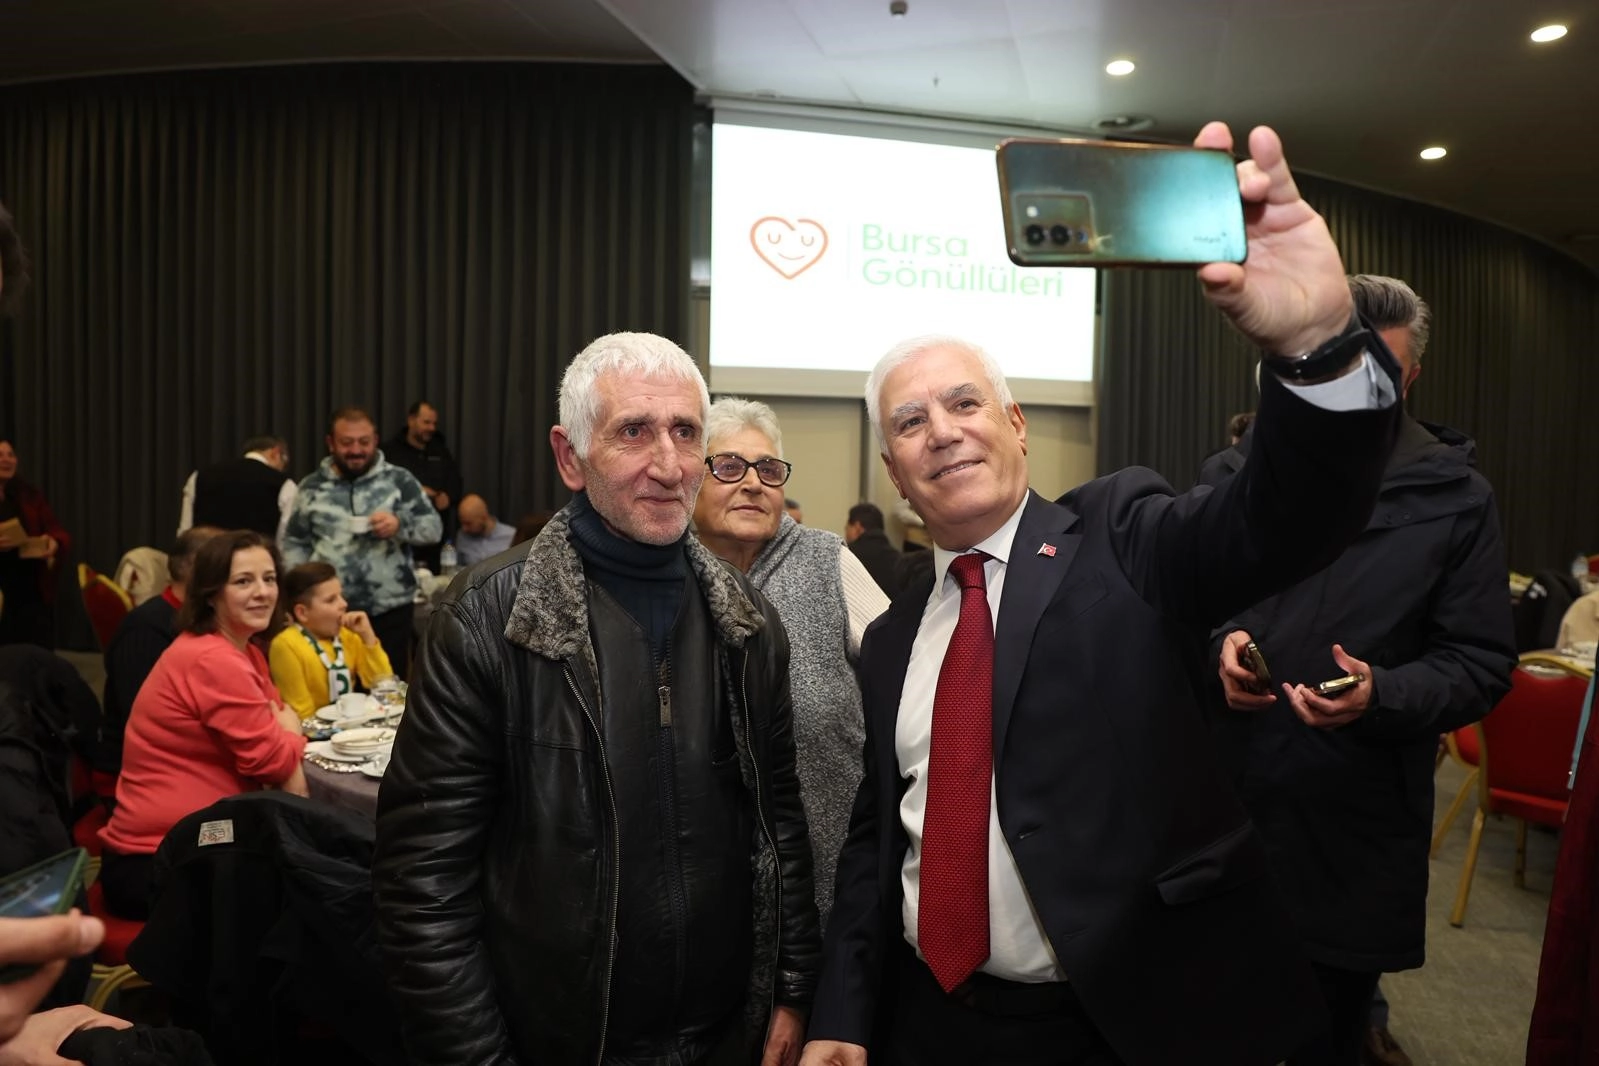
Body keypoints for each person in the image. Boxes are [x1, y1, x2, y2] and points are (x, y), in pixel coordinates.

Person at [800, 122, 1405, 1066]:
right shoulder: (890, 639)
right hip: (930, 1024)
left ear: (1016, 424)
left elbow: (1282, 520)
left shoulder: (1121, 537)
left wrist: (1315, 347)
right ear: (892, 470)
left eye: (964, 403)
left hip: (1125, 1025)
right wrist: (841, 1011)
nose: (941, 432)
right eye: (909, 422)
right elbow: (878, 838)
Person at [373, 332, 819, 1066]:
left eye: (685, 432)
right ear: (570, 457)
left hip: (726, 1037)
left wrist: (791, 991)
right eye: (633, 432)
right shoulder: (487, 618)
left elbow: (781, 830)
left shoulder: (747, 622)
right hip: (554, 1043)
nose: (669, 465)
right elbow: (423, 885)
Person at [1202, 274, 1516, 1066]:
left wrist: (1384, 692)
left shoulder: (1456, 499)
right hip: (1221, 814)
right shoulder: (1235, 473)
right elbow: (1182, 603)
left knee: (1324, 1036)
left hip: (1351, 829)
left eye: (1379, 371)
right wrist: (1220, 645)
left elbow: (1479, 663)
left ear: (1410, 379)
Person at [693, 397, 889, 927]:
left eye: (769, 469)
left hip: (835, 879)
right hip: (707, 886)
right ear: (691, 477)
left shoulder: (827, 560)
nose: (753, 483)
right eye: (729, 466)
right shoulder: (667, 572)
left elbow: (907, 678)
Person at [99, 530, 308, 920]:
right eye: (243, 581)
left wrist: (285, 736)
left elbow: (276, 740)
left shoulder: (243, 651)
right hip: (159, 860)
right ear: (211, 593)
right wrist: (292, 730)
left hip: (202, 843)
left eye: (269, 578)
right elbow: (273, 761)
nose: (262, 592)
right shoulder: (213, 659)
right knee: (321, 893)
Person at [282, 407, 441, 679]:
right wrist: (298, 594)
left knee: (387, 685)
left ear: (375, 441)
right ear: (331, 443)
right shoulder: (310, 487)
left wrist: (399, 525)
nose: (356, 450)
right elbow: (294, 544)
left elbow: (434, 529)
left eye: (364, 442)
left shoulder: (399, 480)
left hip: (390, 607)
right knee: (335, 688)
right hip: (328, 613)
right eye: (347, 443)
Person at [99, 526, 223, 778]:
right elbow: (147, 723)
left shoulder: (211, 621)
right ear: (196, 569)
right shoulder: (146, 630)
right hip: (144, 772)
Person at [268, 562, 393, 719]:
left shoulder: (348, 635)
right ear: (302, 613)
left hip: (352, 723)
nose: (344, 604)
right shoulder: (286, 645)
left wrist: (368, 636)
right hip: (316, 730)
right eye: (331, 600)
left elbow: (385, 688)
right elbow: (302, 714)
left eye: (341, 596)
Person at [0, 439, 69, 649]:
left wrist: (53, 542)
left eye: (11, 454)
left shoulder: (28, 494)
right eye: (0, 455)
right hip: (2, 587)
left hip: (31, 584)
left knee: (38, 649)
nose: (6, 459)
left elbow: (56, 531)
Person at [382, 401, 461, 572]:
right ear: (411, 420)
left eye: (434, 423)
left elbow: (456, 483)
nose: (431, 428)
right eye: (426, 422)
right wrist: (418, 490)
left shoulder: (440, 451)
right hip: (401, 536)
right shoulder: (390, 451)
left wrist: (447, 496)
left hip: (435, 540)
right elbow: (381, 487)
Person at [177, 435, 296, 543]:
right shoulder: (284, 484)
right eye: (284, 463)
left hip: (208, 557)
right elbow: (286, 539)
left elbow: (185, 532)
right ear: (276, 452)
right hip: (255, 556)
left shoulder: (198, 477)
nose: (282, 469)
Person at [844, 502, 905, 599]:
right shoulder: (900, 560)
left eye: (847, 528)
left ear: (857, 527)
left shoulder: (847, 556)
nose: (846, 534)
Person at [453, 493, 515, 565]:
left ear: (484, 517)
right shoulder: (462, 536)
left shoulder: (511, 536)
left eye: (468, 523)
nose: (464, 528)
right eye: (462, 523)